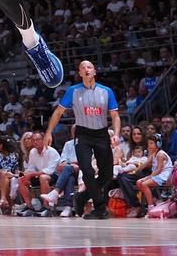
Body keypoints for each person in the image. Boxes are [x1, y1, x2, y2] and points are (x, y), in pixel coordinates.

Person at [44, 59, 121, 220]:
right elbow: (58, 112)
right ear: (79, 73)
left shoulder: (106, 91)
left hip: (101, 133)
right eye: (83, 67)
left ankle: (82, 197)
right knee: (87, 170)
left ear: (94, 72)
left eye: (89, 67)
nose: (86, 69)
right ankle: (100, 207)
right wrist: (49, 132)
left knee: (106, 175)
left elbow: (115, 115)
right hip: (83, 134)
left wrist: (116, 134)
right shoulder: (73, 91)